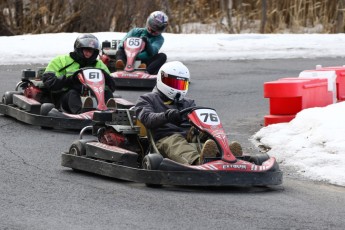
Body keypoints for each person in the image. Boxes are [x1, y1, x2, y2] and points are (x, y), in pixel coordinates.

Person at [135, 61, 243, 165]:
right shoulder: (147, 99)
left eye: (181, 84)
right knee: (176, 141)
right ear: (161, 79)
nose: (178, 88)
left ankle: (228, 157)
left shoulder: (188, 102)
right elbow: (147, 118)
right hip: (165, 138)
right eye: (174, 83)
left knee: (209, 134)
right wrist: (167, 116)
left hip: (189, 134)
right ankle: (197, 161)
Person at [42, 33, 116, 114]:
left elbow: (112, 86)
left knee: (107, 93)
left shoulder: (99, 65)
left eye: (91, 51)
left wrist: (105, 76)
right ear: (79, 49)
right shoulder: (60, 60)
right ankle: (81, 113)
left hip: (94, 96)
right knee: (72, 93)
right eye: (86, 50)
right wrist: (70, 80)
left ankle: (108, 112)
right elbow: (49, 82)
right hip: (65, 98)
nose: (88, 53)